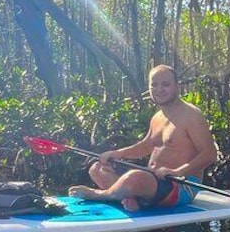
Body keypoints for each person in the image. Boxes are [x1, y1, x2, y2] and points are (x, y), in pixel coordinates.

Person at [69, 64, 219, 211]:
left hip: (181, 184)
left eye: (165, 84)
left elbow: (210, 154)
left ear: (176, 86)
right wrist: (116, 154)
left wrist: (178, 172)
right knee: (98, 169)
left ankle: (99, 195)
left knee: (134, 178)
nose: (159, 89)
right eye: (154, 85)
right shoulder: (157, 117)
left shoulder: (191, 115)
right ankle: (132, 199)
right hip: (154, 180)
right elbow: (145, 146)